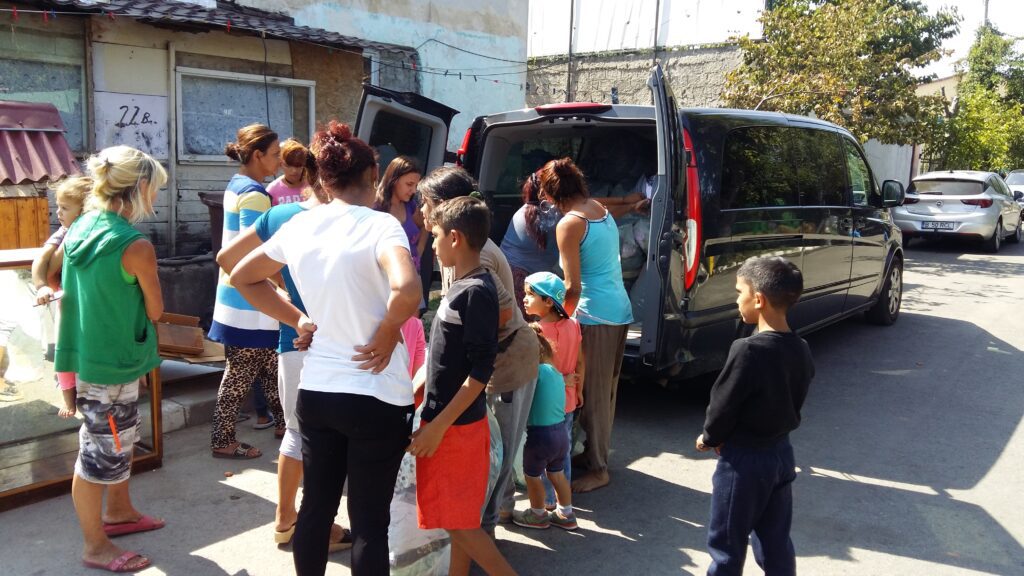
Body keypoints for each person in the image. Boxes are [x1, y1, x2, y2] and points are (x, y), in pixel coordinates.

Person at [229, 121, 420, 576]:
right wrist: (388, 327)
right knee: (370, 521)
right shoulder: (381, 225)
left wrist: (297, 318)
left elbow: (241, 275)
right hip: (377, 394)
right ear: (373, 175)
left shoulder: (300, 225)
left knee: (315, 510)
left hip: (318, 392)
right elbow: (408, 289)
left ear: (325, 179)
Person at [215, 141, 352, 553]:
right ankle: (316, 526)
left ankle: (285, 521)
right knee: (329, 439)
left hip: (291, 340)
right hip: (332, 342)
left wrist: (283, 295)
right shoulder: (348, 220)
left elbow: (227, 260)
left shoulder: (281, 215)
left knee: (296, 433)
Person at [51, 146, 168, 573]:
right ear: (138, 188)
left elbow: (60, 272)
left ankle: (119, 513)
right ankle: (95, 545)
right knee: (98, 454)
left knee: (116, 443)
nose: (155, 200)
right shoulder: (134, 244)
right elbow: (155, 311)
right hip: (112, 362)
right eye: (153, 190)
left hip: (92, 356)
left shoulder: (81, 225)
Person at [417, 167, 539, 531]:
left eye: (425, 204)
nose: (421, 212)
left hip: (508, 360)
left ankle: (484, 526)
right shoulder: (455, 250)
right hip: (488, 360)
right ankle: (485, 520)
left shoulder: (477, 259)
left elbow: (499, 311)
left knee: (497, 452)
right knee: (489, 449)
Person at [407, 196, 517, 576]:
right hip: (448, 423)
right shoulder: (461, 284)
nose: (431, 242)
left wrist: (437, 427)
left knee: (458, 522)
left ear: (455, 238)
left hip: (455, 429)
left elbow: (480, 372)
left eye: (435, 234)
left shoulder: (477, 292)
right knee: (458, 519)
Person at [695, 256, 814, 576]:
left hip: (743, 463)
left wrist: (710, 437)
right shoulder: (801, 347)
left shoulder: (747, 349)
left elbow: (723, 403)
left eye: (739, 292)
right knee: (776, 542)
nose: (737, 300)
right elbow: (797, 397)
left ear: (758, 300)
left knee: (726, 546)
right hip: (781, 455)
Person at [538, 157, 633, 493]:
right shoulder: (595, 207)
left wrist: (555, 320)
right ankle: (593, 454)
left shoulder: (570, 224)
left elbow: (572, 286)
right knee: (603, 389)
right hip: (618, 309)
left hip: (594, 316)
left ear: (549, 196)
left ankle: (599, 468)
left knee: (589, 393)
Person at [208, 123, 286, 458]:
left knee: (270, 363)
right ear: (257, 155)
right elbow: (250, 251)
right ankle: (222, 439)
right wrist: (280, 286)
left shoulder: (238, 185)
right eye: (274, 154)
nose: (280, 160)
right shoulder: (254, 194)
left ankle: (285, 422)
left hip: (242, 297)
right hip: (248, 300)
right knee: (240, 372)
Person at [522, 272, 584, 511]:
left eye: (530, 294)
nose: (524, 299)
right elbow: (580, 363)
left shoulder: (534, 331)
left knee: (541, 454)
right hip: (567, 401)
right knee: (562, 451)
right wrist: (579, 389)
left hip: (543, 407)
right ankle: (563, 499)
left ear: (549, 302)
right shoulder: (574, 325)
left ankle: (546, 500)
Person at [32, 176, 92, 416]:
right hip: (65, 304)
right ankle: (69, 401)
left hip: (87, 305)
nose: (58, 213)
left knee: (85, 352)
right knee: (64, 353)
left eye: (65, 208)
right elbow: (41, 261)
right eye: (58, 206)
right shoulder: (64, 233)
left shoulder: (96, 233)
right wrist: (40, 286)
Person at [511, 327, 577, 531]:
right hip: (560, 434)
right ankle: (566, 514)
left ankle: (538, 514)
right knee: (557, 474)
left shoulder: (534, 374)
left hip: (540, 437)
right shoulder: (555, 373)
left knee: (532, 475)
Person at [499, 171, 561, 316]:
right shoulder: (553, 214)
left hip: (507, 274)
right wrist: (623, 202)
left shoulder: (524, 211)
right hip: (523, 280)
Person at [374, 156, 427, 272]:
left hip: (411, 272)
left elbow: (425, 224)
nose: (413, 190)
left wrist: (419, 250)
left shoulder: (410, 205)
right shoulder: (375, 206)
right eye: (409, 184)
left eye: (416, 186)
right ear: (393, 180)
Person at [266, 138, 314, 206]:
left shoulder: (313, 186)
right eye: (288, 165)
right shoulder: (272, 190)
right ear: (281, 164)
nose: (294, 170)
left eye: (298, 165)